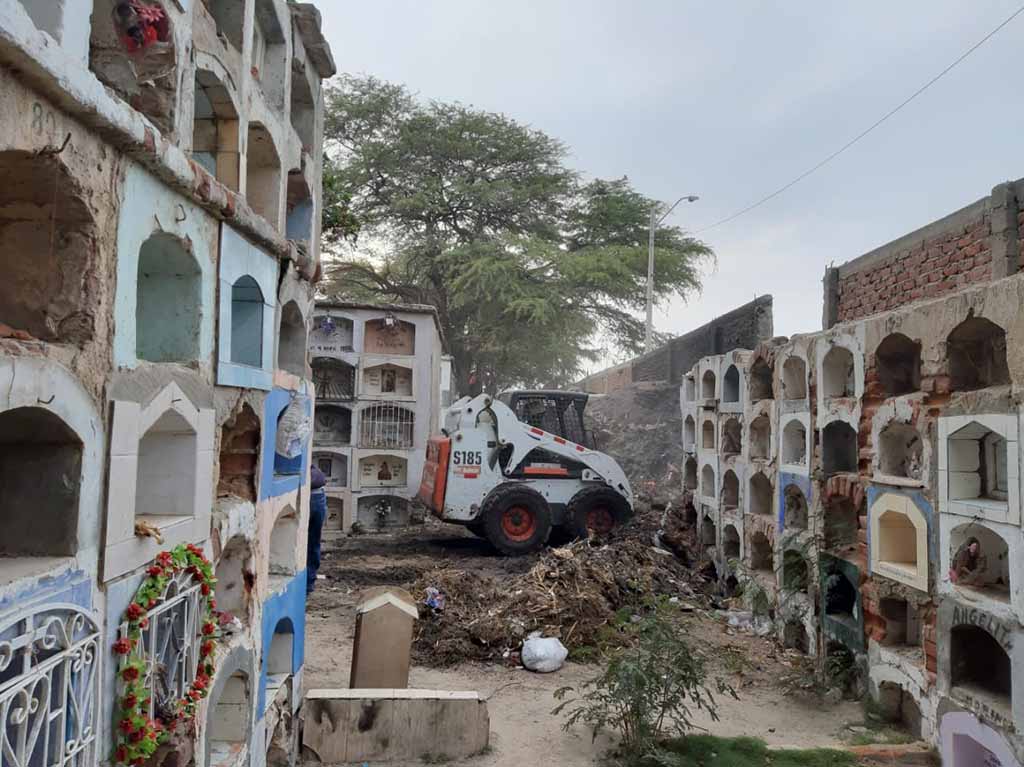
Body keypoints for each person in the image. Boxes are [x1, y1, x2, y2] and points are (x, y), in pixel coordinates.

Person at [307, 464, 327, 595]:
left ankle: (308, 582)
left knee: (311, 543)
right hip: (317, 495)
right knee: (313, 544)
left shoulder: (313, 470)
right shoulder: (315, 471)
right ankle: (308, 583)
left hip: (313, 494)